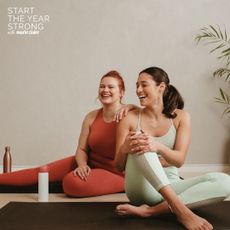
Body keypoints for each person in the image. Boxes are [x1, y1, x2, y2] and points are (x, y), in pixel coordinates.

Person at [115, 67, 230, 230]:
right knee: (141, 140)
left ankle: (150, 212)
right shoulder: (130, 118)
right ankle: (181, 211)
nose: (138, 90)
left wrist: (158, 147)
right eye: (136, 85)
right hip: (141, 187)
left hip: (172, 184)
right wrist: (125, 149)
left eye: (143, 84)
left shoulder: (182, 117)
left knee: (225, 182)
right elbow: (118, 166)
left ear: (161, 87)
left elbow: (179, 161)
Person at [0, 70, 133, 197]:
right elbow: (81, 149)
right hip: (88, 163)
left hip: (115, 173)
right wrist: (82, 164)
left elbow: (148, 116)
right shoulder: (91, 117)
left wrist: (134, 106)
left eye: (111, 87)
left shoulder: (130, 115)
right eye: (102, 86)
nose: (105, 90)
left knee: (71, 183)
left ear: (121, 92)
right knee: (42, 171)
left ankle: (112, 185)